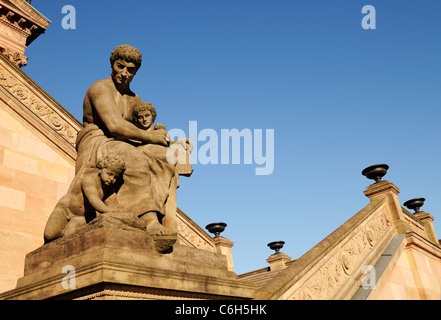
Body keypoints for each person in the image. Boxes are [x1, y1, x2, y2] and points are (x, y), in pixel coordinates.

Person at [51, 44, 191, 252]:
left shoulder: (135, 99)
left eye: (130, 70)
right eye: (120, 66)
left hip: (127, 142)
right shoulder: (100, 88)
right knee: (133, 158)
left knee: (165, 157)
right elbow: (114, 126)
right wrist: (151, 137)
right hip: (98, 142)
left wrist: (171, 143)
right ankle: (148, 220)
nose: (124, 73)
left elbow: (145, 127)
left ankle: (168, 223)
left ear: (136, 72)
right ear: (112, 64)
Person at [43, 156, 126, 243]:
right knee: (49, 235)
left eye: (115, 177)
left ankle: (73, 226)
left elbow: (113, 206)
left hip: (83, 217)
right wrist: (109, 212)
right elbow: (92, 199)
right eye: (109, 174)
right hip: (65, 209)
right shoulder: (89, 180)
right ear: (101, 169)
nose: (112, 179)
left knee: (69, 234)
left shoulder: (110, 190)